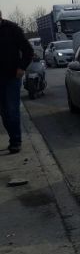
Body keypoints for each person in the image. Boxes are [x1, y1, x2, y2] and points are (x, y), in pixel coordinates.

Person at [0, 9, 34, 153]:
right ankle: (13, 137)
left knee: (12, 109)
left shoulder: (12, 29)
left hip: (12, 76)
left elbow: (28, 50)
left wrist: (21, 67)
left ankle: (16, 141)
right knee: (4, 112)